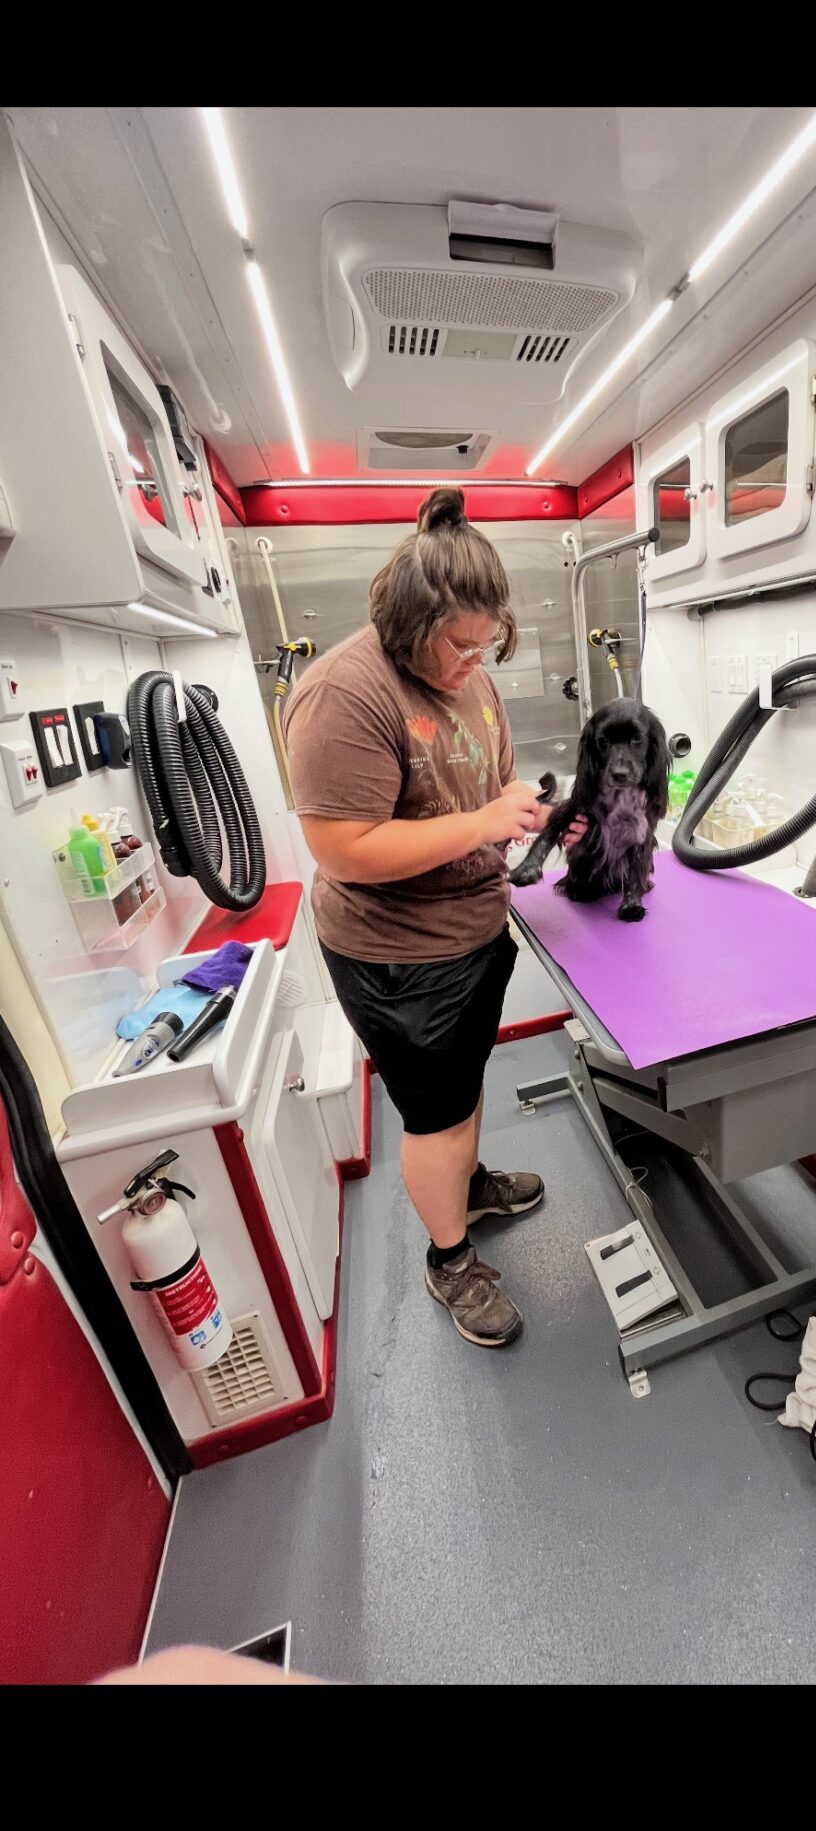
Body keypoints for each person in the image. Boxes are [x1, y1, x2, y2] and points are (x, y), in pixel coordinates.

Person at [283, 488, 562, 1351]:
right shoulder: (344, 693)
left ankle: (467, 1185)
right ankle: (450, 1258)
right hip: (397, 956)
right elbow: (345, 848)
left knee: (461, 1085)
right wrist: (482, 825)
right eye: (461, 644)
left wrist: (524, 809)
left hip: (472, 929)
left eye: (490, 643)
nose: (477, 660)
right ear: (410, 625)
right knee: (432, 1113)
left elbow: (484, 784)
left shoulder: (469, 675)